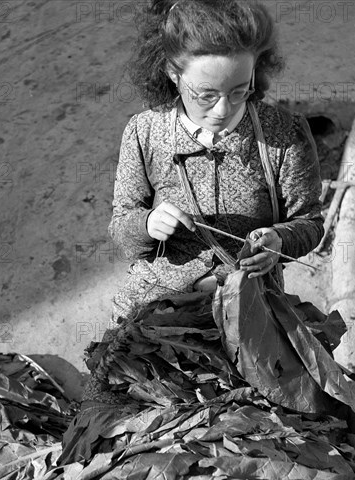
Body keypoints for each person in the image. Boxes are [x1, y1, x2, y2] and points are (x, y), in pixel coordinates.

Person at [106, 0, 324, 327]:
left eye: (239, 91)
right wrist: (147, 224)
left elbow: (309, 222)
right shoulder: (143, 132)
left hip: (249, 301)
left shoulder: (286, 134)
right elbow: (122, 235)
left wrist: (279, 241)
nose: (222, 110)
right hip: (159, 297)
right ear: (172, 74)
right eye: (206, 94)